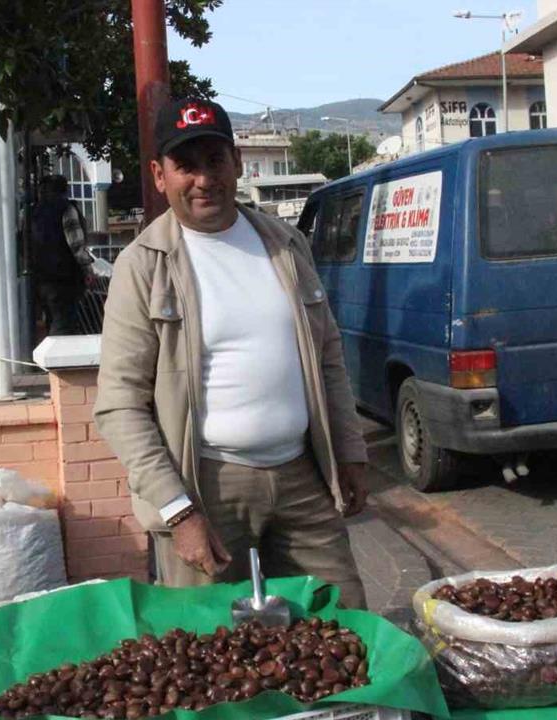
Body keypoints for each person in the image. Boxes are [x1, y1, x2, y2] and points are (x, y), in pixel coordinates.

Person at [93, 98, 370, 608]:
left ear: (237, 162)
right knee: (209, 648)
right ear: (159, 175)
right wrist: (179, 511)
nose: (204, 179)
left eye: (215, 160)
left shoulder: (285, 244)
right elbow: (119, 404)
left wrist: (349, 452)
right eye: (186, 166)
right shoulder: (144, 265)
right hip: (206, 485)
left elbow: (327, 357)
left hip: (300, 472)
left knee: (343, 620)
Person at [30, 174, 93, 335]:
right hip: (64, 278)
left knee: (50, 319)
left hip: (41, 277)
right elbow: (76, 244)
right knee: (64, 323)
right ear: (65, 190)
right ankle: (61, 358)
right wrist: (88, 268)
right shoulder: (66, 209)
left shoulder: (33, 212)